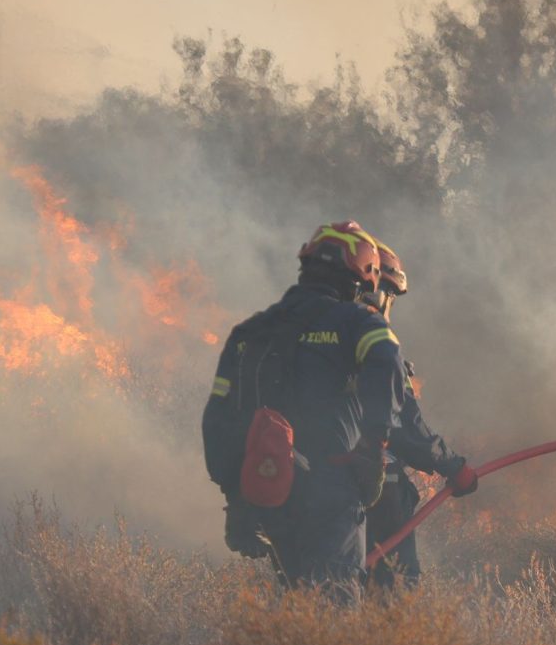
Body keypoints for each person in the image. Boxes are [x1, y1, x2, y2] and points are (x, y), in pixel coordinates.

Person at [200, 220, 406, 599]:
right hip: (330, 491)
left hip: (267, 489)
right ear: (358, 278)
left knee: (298, 607)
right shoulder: (356, 322)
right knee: (333, 609)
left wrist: (236, 496)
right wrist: (374, 446)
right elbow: (388, 363)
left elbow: (217, 420)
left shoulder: (249, 332)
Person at [360, 237, 478, 587]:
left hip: (306, 484)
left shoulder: (304, 335)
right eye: (389, 294)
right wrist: (454, 467)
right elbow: (405, 428)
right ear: (375, 287)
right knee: (393, 585)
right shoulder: (373, 341)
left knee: (318, 589)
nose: (389, 303)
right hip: (372, 483)